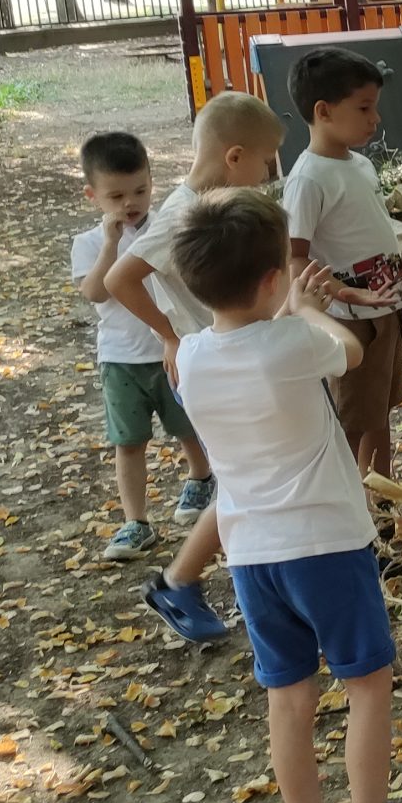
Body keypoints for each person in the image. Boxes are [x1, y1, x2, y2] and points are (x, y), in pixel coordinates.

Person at [170, 187, 402, 803]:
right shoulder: (290, 341)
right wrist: (306, 305)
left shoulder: (191, 359)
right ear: (272, 277)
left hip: (251, 556)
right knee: (367, 687)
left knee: (288, 699)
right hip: (326, 543)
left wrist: (283, 304)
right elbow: (351, 351)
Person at [106, 91, 288, 641]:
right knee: (243, 478)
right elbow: (119, 279)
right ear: (234, 157)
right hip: (211, 367)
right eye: (266, 161)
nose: (268, 173)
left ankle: (193, 580)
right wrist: (170, 337)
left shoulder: (207, 208)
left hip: (233, 359)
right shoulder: (183, 214)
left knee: (247, 476)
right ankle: (181, 580)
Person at [281, 47, 402, 479]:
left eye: (376, 107)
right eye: (365, 108)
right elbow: (296, 261)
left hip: (384, 310)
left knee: (380, 411)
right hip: (348, 322)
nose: (377, 119)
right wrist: (346, 293)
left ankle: (382, 496)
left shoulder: (362, 165)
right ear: (324, 111)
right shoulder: (308, 179)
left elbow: (368, 241)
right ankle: (349, 508)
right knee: (351, 420)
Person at [70, 132, 213, 561]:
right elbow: (95, 292)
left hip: (173, 350)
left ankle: (201, 477)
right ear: (92, 196)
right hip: (121, 357)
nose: (130, 203)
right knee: (128, 441)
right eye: (116, 195)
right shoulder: (89, 244)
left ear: (153, 182)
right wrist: (112, 242)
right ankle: (136, 522)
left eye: (141, 191)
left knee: (188, 424)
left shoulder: (169, 227)